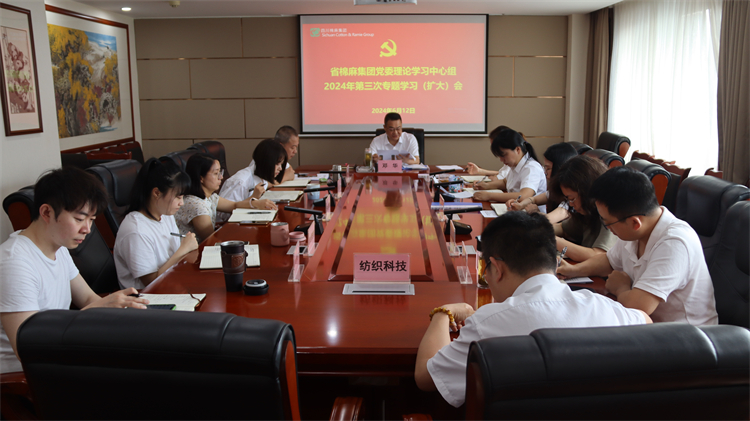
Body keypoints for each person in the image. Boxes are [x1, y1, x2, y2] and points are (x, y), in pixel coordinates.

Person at [414, 212, 650, 407]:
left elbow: (426, 377)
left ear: (497, 268)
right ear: (555, 261)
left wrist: (443, 314)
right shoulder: (604, 307)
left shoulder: (488, 324)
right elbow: (647, 322)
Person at [0, 167, 149, 373]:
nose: (87, 229)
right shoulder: (14, 262)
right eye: (79, 219)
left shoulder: (59, 248)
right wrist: (94, 310)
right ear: (46, 212)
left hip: (59, 354)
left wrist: (117, 305)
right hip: (27, 375)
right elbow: (27, 348)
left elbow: (88, 299)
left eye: (91, 220)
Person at [557, 166, 718, 325]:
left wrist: (621, 288)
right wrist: (573, 270)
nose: (608, 228)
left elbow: (640, 306)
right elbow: (609, 261)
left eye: (608, 223)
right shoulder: (637, 230)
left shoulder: (674, 242)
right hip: (648, 324)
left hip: (687, 335)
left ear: (635, 223)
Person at [114, 158, 198, 289]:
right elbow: (152, 283)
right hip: (146, 295)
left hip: (172, 283)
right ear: (157, 193)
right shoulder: (136, 231)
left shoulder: (165, 214)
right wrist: (183, 250)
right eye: (178, 197)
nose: (181, 203)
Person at [177, 153, 272, 243]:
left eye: (220, 172)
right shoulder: (197, 205)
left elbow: (234, 205)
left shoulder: (210, 197)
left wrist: (255, 203)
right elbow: (211, 239)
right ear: (201, 178)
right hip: (194, 251)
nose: (221, 177)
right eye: (216, 173)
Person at [547, 155, 618, 261]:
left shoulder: (611, 210)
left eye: (572, 199)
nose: (571, 204)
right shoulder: (588, 211)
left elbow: (598, 256)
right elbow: (564, 229)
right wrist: (537, 229)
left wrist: (550, 238)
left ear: (586, 192)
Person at [472, 128, 547, 210]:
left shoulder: (531, 167)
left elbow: (524, 196)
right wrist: (486, 186)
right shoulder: (516, 164)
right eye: (499, 156)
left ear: (517, 150)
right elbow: (505, 182)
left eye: (504, 155)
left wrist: (489, 195)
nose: (501, 160)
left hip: (531, 214)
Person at [506, 142, 577, 224]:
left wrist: (535, 212)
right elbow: (534, 199)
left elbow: (549, 220)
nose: (545, 173)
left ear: (560, 168)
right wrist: (520, 205)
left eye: (548, 168)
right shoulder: (556, 190)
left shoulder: (569, 198)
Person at [218, 139, 285, 214]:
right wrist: (253, 198)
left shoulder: (263, 176)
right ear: (266, 162)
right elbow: (223, 214)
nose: (280, 168)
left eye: (281, 164)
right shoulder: (241, 181)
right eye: (277, 164)